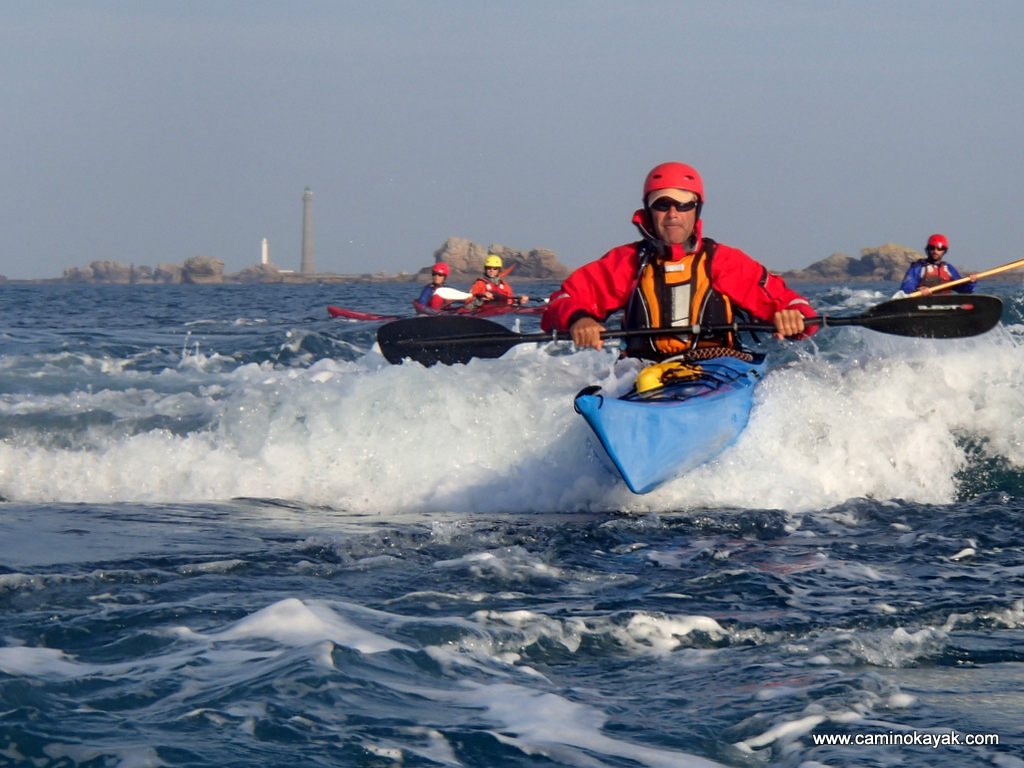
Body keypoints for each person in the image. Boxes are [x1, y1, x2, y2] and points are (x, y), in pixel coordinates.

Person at [541, 162, 815, 360]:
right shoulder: (626, 263)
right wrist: (578, 320)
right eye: (663, 204)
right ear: (649, 211)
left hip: (718, 371)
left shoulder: (725, 262)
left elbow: (795, 306)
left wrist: (795, 318)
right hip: (644, 373)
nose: (673, 213)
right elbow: (561, 300)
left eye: (684, 204)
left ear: (696, 210)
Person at [899, 234, 977, 296]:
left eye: (939, 248)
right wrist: (917, 291)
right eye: (932, 248)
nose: (935, 251)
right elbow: (906, 289)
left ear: (944, 251)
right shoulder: (918, 267)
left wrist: (971, 282)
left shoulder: (948, 268)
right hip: (922, 303)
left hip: (945, 305)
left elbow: (964, 290)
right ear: (928, 249)